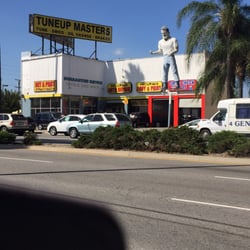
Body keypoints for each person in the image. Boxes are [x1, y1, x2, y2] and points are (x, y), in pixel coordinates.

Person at [150, 26, 180, 92]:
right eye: (162, 33)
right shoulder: (160, 42)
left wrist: (171, 53)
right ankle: (164, 85)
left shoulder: (173, 39)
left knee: (174, 70)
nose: (163, 34)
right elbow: (160, 51)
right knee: (164, 72)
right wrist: (153, 53)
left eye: (165, 33)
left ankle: (177, 84)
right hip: (165, 57)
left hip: (171, 56)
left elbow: (176, 49)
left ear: (168, 32)